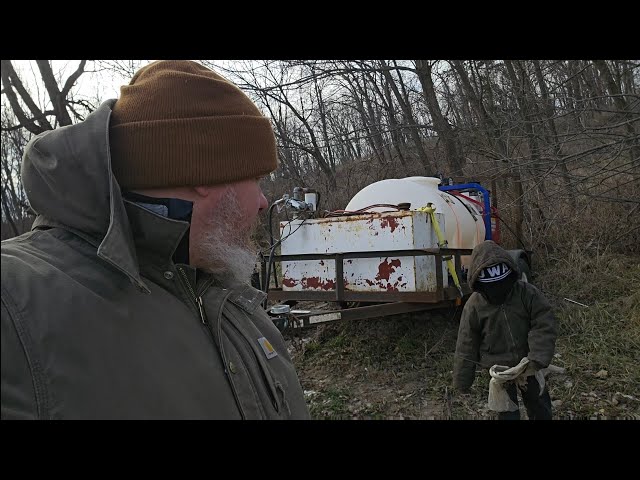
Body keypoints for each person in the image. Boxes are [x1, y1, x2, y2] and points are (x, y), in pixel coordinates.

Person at [1, 60, 310, 420]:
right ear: (203, 170)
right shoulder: (16, 299)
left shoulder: (225, 292)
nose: (263, 202)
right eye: (256, 177)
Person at [452, 240, 556, 420]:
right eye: (491, 289)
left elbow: (543, 322)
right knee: (506, 414)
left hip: (528, 364)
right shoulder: (474, 305)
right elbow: (466, 343)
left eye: (503, 285)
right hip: (499, 371)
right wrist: (462, 381)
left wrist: (537, 357)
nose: (498, 292)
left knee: (540, 407)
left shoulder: (527, 293)